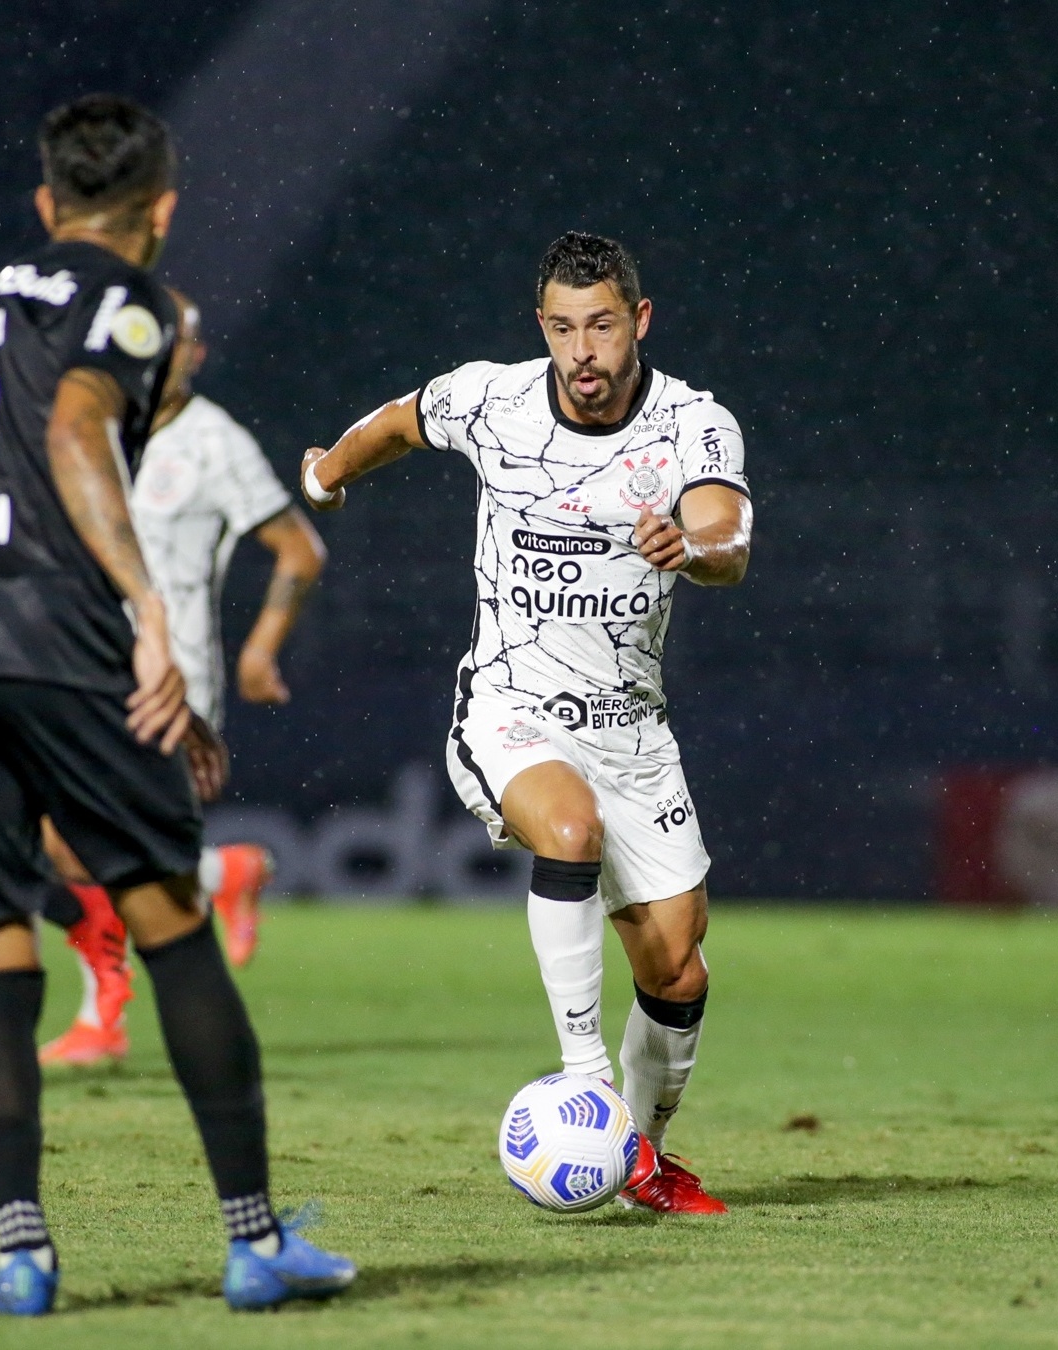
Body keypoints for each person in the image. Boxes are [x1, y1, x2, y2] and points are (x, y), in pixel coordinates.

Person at [0, 93, 356, 1315]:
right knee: (168, 921)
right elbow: (81, 429)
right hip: (46, 620)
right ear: (163, 214)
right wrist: (146, 608)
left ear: (46, 206)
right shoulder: (134, 302)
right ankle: (254, 1243)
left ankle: (21, 1258)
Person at [298, 230, 752, 1216]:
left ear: (638, 321)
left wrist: (695, 548)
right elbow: (402, 420)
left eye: (600, 326)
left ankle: (640, 1153)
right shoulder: (494, 400)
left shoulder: (692, 424)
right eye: (561, 328)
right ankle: (583, 1077)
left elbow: (729, 535)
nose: (581, 350)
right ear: (541, 328)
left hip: (633, 727)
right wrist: (325, 476)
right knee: (568, 826)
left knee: (676, 963)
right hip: (510, 705)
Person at [37, 287, 327, 1066]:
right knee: (68, 847)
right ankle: (216, 874)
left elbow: (300, 549)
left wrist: (261, 649)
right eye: (167, 337)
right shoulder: (91, 424)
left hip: (173, 682)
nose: (180, 353)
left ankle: (105, 1014)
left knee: (66, 843)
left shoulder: (214, 441)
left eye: (192, 342)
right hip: (84, 664)